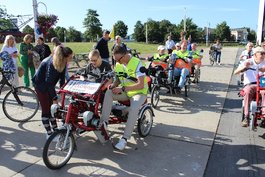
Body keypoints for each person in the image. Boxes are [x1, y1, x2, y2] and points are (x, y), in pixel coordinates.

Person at [99, 45, 148, 150]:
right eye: (115, 60)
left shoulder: (137, 63)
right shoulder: (118, 63)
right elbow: (118, 79)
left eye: (119, 59)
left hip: (139, 93)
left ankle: (124, 139)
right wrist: (113, 85)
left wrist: (122, 89)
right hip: (126, 91)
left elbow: (140, 84)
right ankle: (104, 123)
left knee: (134, 109)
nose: (118, 62)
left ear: (125, 55)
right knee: (108, 92)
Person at [32, 46, 73, 137]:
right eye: (70, 57)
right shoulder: (52, 63)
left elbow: (62, 79)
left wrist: (63, 91)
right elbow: (49, 83)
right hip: (40, 86)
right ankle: (49, 133)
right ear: (65, 56)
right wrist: (54, 98)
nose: (72, 58)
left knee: (52, 109)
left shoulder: (63, 62)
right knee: (46, 109)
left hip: (48, 85)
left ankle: (55, 130)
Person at [234, 47, 265, 127]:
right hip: (250, 84)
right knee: (247, 91)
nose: (263, 55)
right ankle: (246, 116)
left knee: (264, 93)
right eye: (261, 54)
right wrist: (245, 68)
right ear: (255, 55)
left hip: (262, 84)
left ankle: (264, 116)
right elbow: (236, 72)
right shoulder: (248, 61)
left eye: (264, 54)